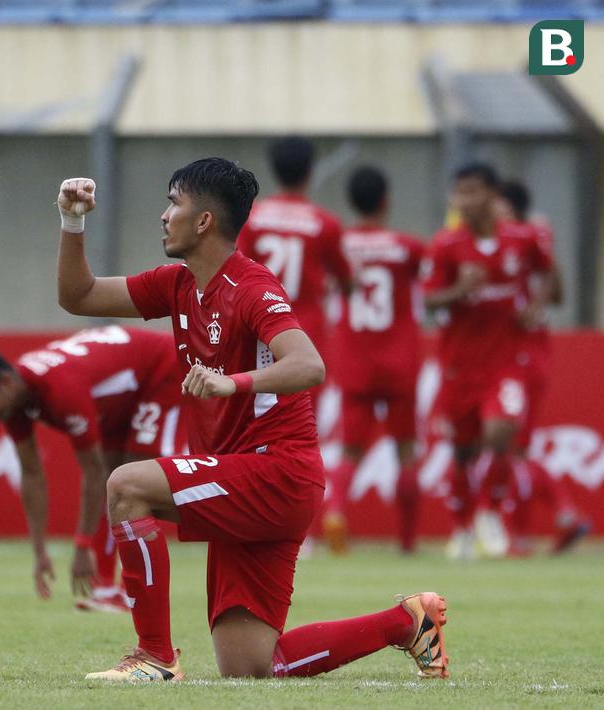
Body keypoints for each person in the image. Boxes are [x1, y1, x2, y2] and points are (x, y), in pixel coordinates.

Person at [53, 159, 448, 682]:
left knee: (126, 487)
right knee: (250, 666)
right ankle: (405, 623)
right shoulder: (177, 285)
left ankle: (154, 657)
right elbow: (78, 296)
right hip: (245, 479)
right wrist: (71, 221)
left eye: (174, 203)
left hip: (275, 474)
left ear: (203, 222)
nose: (163, 215)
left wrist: (231, 382)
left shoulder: (251, 287)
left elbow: (309, 364)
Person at [0, 327, 185, 612]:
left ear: (6, 382)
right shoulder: (16, 398)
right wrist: (39, 552)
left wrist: (83, 544)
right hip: (123, 390)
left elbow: (93, 473)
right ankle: (106, 589)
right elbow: (31, 474)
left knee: (135, 478)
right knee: (118, 478)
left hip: (160, 368)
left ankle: (133, 589)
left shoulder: (60, 390)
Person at [424, 163, 551, 560]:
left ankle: (491, 513)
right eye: (460, 191)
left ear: (493, 196)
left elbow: (547, 273)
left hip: (506, 362)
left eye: (474, 191)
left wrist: (537, 304)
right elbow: (428, 300)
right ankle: (462, 529)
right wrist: (460, 289)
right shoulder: (446, 245)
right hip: (460, 364)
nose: (465, 199)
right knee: (463, 452)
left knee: (501, 432)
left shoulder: (522, 238)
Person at [322, 166, 425, 554]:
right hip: (400, 359)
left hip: (354, 358)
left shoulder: (340, 243)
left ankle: (335, 512)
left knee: (350, 451)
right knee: (406, 450)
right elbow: (429, 286)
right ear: (386, 200)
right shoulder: (407, 247)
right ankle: (408, 542)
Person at [491, 180, 589, 555]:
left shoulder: (518, 241)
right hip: (532, 354)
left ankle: (528, 529)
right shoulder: (532, 243)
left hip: (519, 355)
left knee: (512, 449)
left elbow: (548, 295)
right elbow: (559, 294)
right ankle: (558, 516)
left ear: (509, 208)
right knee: (516, 449)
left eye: (495, 206)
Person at [237, 137, 352, 420]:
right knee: (302, 422)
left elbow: (236, 270)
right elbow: (347, 281)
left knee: (254, 419)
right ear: (311, 171)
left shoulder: (251, 217)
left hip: (256, 330)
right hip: (305, 334)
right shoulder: (325, 223)